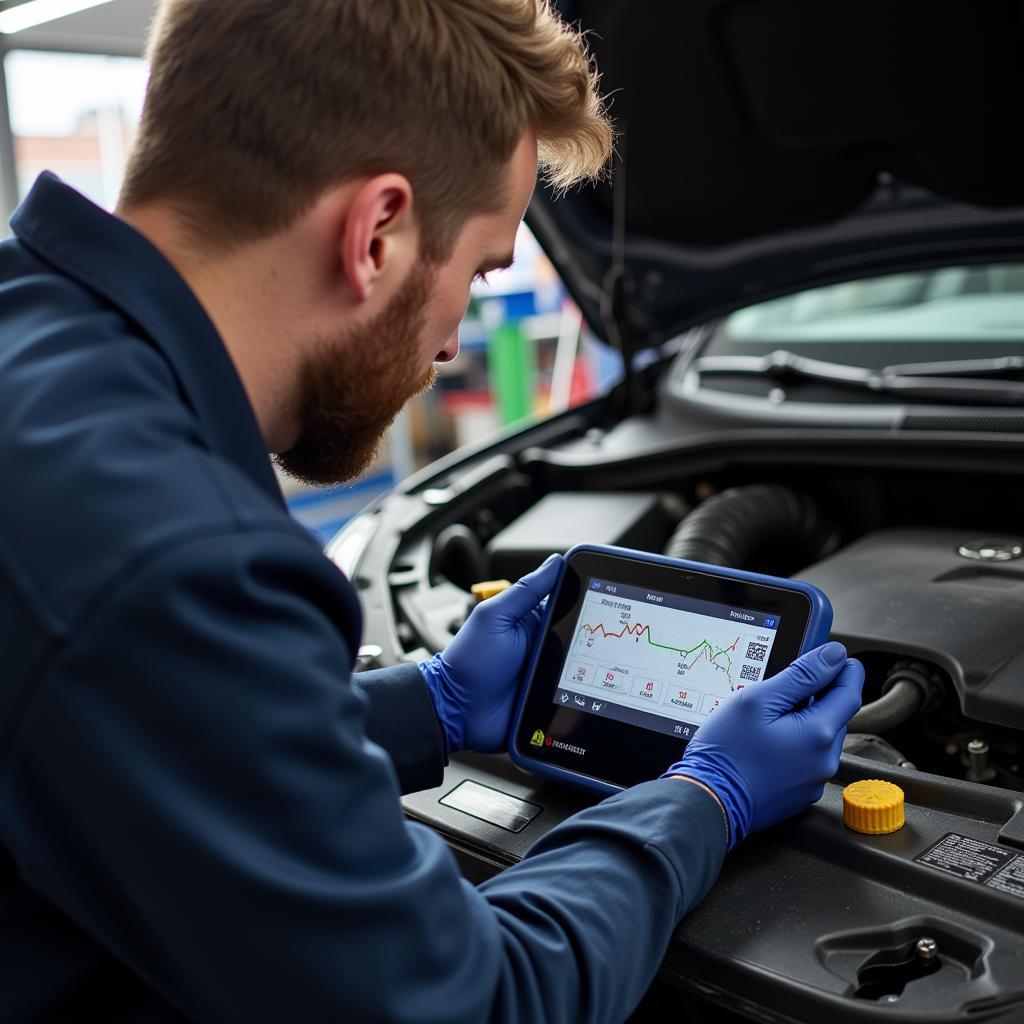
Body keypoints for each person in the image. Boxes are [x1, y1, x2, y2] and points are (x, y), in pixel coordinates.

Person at [0, 2, 864, 1021]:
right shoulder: (170, 554)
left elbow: (141, 726)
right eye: (483, 268)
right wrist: (702, 799)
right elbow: (468, 1003)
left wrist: (438, 705)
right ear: (377, 232)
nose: (453, 340)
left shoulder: (38, 361)